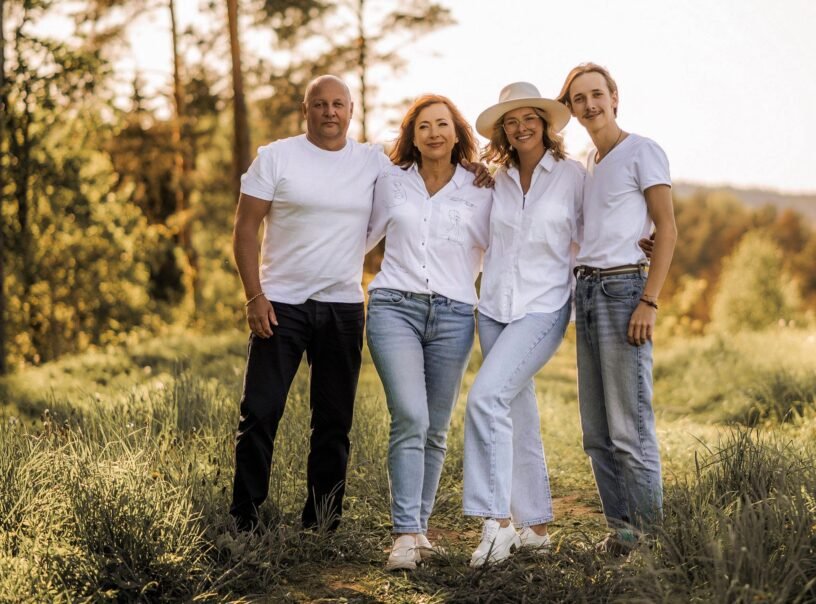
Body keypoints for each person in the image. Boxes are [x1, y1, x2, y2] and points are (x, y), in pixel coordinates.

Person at [230, 76, 492, 533]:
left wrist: (476, 168)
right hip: (281, 304)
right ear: (305, 109)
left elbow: (432, 153)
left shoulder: (373, 160)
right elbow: (245, 229)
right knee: (261, 411)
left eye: (338, 104)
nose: (329, 112)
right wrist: (254, 296)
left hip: (343, 305)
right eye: (320, 104)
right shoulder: (276, 158)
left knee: (333, 421)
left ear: (350, 110)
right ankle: (245, 521)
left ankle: (323, 522)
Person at [364, 95, 493, 570]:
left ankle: (418, 530)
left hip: (456, 313)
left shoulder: (482, 188)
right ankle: (402, 535)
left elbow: (518, 238)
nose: (434, 133)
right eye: (424, 126)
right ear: (412, 135)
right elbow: (359, 233)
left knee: (436, 429)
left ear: (457, 133)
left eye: (443, 124)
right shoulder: (390, 180)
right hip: (394, 305)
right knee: (411, 417)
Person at [557, 63, 678, 554]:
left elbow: (667, 228)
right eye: (579, 98)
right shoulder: (588, 160)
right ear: (571, 108)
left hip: (624, 292)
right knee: (597, 433)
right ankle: (622, 533)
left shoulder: (642, 151)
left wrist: (649, 299)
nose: (589, 105)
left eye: (596, 95)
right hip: (586, 292)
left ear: (614, 97)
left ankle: (652, 543)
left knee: (629, 429)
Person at [462, 82, 584, 566]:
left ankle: (497, 523)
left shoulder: (573, 176)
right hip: (493, 307)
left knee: (486, 398)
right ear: (503, 132)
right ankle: (534, 527)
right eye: (510, 122)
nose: (520, 127)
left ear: (545, 122)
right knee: (518, 413)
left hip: (543, 306)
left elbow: (600, 225)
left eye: (528, 118)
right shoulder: (495, 179)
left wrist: (646, 241)